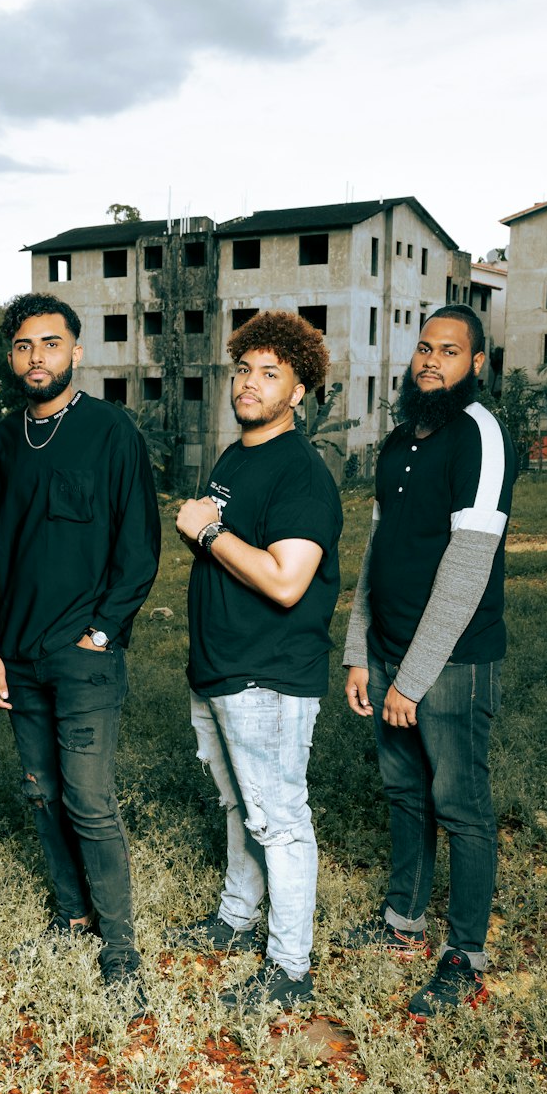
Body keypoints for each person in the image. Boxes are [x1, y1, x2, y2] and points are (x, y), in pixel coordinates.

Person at [0, 293, 160, 1015]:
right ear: (12, 357)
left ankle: (120, 947)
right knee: (42, 793)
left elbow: (138, 545)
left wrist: (103, 631)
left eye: (51, 343)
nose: (36, 356)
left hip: (84, 654)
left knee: (87, 798)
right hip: (17, 654)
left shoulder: (113, 433)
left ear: (77, 352)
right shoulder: (0, 440)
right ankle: (71, 917)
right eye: (23, 345)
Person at [343, 304, 517, 1019]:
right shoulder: (400, 439)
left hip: (450, 662)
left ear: (476, 364)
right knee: (406, 794)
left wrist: (412, 679)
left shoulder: (481, 435)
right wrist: (361, 652)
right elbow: (377, 556)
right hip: (387, 651)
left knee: (461, 806)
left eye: (449, 351)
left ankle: (465, 959)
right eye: (423, 348)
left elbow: (469, 567)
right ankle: (402, 925)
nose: (431, 361)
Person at [173, 311, 342, 1012]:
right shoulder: (235, 457)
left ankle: (290, 969)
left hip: (268, 675)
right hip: (219, 667)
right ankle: (237, 919)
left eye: (271, 373)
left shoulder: (302, 473)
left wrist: (207, 529)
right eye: (243, 368)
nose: (250, 382)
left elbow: (284, 579)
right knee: (240, 806)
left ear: (299, 391)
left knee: (279, 818)